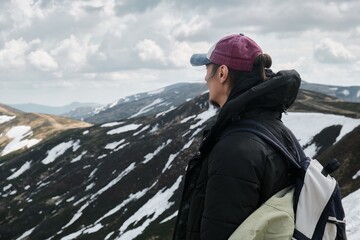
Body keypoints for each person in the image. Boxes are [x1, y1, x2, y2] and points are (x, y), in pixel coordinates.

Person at [172, 33, 301, 240]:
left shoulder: (234, 150)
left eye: (207, 69)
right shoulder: (274, 128)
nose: (205, 78)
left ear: (222, 73)